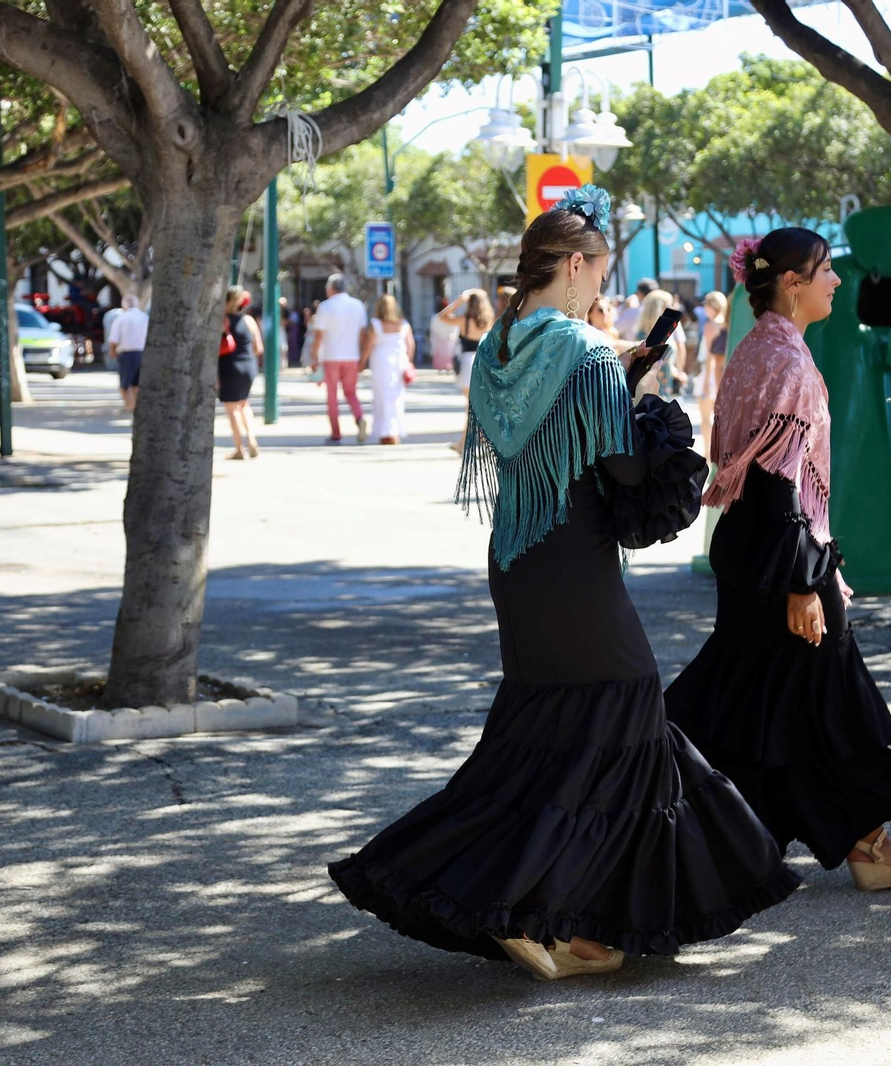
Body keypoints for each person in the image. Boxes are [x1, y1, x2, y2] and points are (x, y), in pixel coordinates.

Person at [329, 184, 799, 982]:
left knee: (552, 730)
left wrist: (611, 380)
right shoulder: (582, 353)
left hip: (518, 555)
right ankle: (529, 907)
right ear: (575, 267)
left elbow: (540, 437)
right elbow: (622, 465)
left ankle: (566, 925)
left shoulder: (504, 347)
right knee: (624, 706)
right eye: (601, 276)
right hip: (574, 559)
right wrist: (641, 393)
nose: (604, 292)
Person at [666, 229, 891, 895]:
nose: (836, 281)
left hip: (752, 548)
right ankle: (861, 844)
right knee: (816, 703)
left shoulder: (756, 349)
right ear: (790, 282)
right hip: (781, 557)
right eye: (824, 271)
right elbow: (777, 482)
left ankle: (839, 841)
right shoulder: (786, 363)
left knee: (764, 705)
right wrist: (801, 583)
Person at [308, 274, 369, 443]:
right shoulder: (358, 306)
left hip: (331, 356)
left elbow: (318, 335)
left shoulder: (325, 307)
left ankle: (336, 433)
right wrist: (363, 358)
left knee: (332, 396)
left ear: (329, 289)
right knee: (351, 392)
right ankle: (359, 417)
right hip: (352, 356)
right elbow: (362, 334)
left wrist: (314, 357)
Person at [436, 290, 494, 453]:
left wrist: (459, 301)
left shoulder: (464, 321)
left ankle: (471, 443)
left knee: (472, 406)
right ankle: (466, 443)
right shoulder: (488, 320)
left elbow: (442, 317)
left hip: (468, 363)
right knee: (476, 406)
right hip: (484, 362)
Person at [361, 294, 415, 445]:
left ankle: (385, 432)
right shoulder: (404, 324)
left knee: (381, 397)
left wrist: (362, 362)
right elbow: (410, 345)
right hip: (399, 362)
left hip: (380, 362)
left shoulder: (375, 324)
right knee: (396, 397)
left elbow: (368, 345)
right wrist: (409, 362)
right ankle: (394, 430)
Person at [218, 287, 263, 460]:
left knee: (232, 409)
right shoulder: (249, 320)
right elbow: (259, 349)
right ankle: (252, 439)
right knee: (244, 404)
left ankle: (239, 449)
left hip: (229, 366)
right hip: (249, 367)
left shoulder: (223, 321)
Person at [631, 290, 687, 399]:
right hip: (651, 392)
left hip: (665, 388)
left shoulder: (666, 331)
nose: (672, 308)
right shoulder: (644, 335)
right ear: (657, 308)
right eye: (668, 305)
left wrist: (676, 371)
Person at [695, 290, 729, 461]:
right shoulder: (725, 324)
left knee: (705, 418)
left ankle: (708, 453)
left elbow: (709, 355)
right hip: (720, 374)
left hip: (709, 374)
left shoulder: (710, 325)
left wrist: (707, 382)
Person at [108, 294, 150, 413]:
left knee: (124, 383)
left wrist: (112, 351)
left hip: (126, 354)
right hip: (142, 353)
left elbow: (114, 339)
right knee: (137, 383)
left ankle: (130, 405)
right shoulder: (144, 317)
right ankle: (136, 405)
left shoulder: (121, 318)